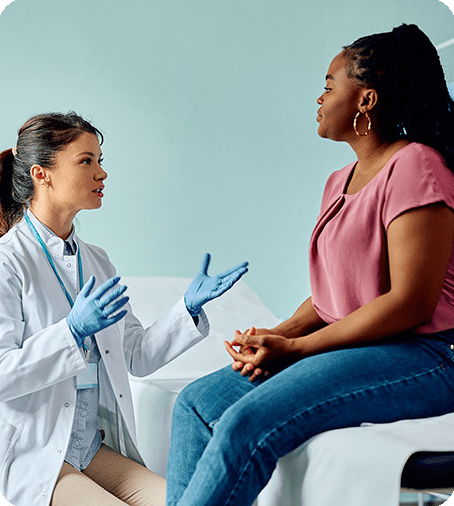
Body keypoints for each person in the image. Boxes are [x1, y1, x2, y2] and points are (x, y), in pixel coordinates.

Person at [165, 23, 454, 506]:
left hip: (428, 353)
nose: (318, 98)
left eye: (328, 85)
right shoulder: (338, 180)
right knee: (196, 405)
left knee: (246, 422)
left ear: (366, 99)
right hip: (359, 346)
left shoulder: (416, 164)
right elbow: (331, 298)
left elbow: (410, 303)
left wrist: (299, 351)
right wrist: (279, 336)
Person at [0, 112, 248, 506]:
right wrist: (72, 332)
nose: (102, 173)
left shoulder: (95, 261)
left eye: (100, 160)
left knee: (184, 501)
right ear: (40, 174)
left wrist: (187, 308)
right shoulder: (8, 261)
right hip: (39, 451)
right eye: (87, 161)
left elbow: (135, 354)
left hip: (91, 448)